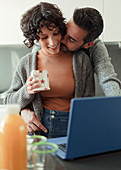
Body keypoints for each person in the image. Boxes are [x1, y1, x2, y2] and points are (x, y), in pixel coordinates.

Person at [4, 2, 95, 137]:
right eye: (44, 37)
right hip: (40, 130)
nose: (52, 42)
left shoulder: (81, 60)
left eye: (56, 33)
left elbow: (88, 102)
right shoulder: (26, 63)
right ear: (35, 38)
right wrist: (26, 91)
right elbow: (9, 102)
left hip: (74, 128)